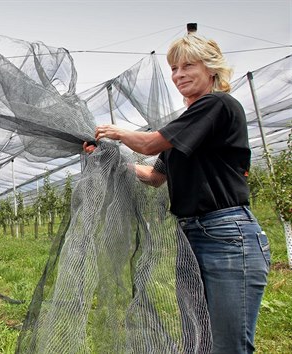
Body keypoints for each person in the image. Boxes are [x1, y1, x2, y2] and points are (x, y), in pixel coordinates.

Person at [86, 33, 271, 353]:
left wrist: (116, 133)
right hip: (192, 237)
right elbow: (154, 177)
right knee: (199, 341)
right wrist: (110, 159)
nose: (179, 74)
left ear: (211, 69)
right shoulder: (187, 124)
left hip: (228, 235)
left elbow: (149, 144)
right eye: (174, 68)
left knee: (229, 346)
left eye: (188, 65)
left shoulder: (218, 105)